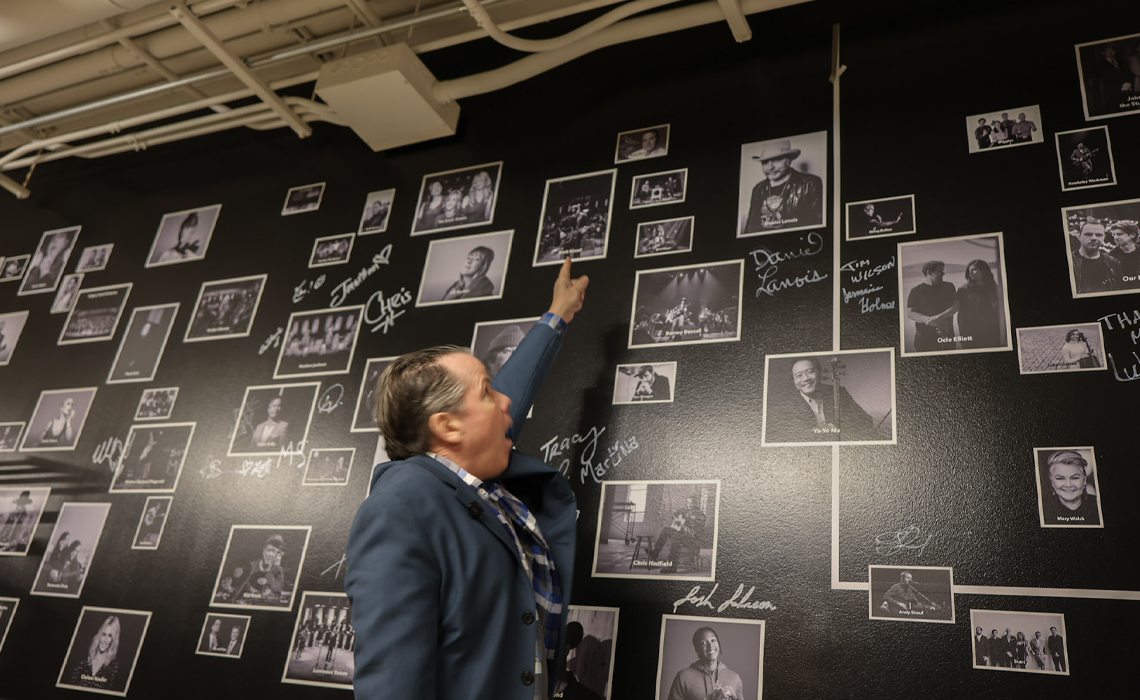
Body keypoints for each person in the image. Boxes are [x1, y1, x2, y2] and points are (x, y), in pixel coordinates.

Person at [346, 257, 588, 700]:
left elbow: (514, 393)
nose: (506, 404)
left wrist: (557, 315)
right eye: (487, 391)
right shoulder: (399, 508)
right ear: (448, 427)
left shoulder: (462, 474)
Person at [767, 356, 874, 442]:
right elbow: (788, 435)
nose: (806, 379)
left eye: (810, 371)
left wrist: (838, 427)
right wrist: (822, 431)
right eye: (799, 375)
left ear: (820, 372)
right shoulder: (787, 405)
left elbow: (866, 421)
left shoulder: (838, 392)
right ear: (794, 381)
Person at [743, 141, 823, 233]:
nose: (770, 167)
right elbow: (750, 228)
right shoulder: (758, 189)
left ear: (788, 160)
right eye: (765, 162)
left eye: (777, 160)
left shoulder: (810, 184)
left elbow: (818, 225)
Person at [666, 627, 743, 700]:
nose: (710, 645)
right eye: (703, 643)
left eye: (713, 640)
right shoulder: (683, 677)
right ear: (697, 649)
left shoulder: (734, 678)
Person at [905, 260, 958, 351]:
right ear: (929, 272)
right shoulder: (916, 291)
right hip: (924, 337)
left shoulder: (949, 287)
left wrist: (940, 317)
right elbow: (910, 313)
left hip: (946, 335)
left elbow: (956, 306)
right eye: (940, 271)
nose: (943, 273)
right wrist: (930, 320)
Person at [646, 495, 706, 573]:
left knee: (676, 539)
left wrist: (685, 527)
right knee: (666, 530)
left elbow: (697, 531)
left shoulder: (700, 515)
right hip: (684, 535)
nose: (690, 505)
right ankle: (655, 553)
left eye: (692, 503)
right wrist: (675, 518)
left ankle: (672, 567)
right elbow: (675, 514)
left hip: (693, 539)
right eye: (688, 503)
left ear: (696, 504)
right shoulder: (685, 511)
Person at [1040, 450, 1100, 525]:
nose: (1068, 485)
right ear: (1052, 481)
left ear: (1084, 480)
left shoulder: (1098, 505)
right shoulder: (1042, 509)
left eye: (1075, 478)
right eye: (1060, 478)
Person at [230, 534, 288, 604]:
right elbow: (238, 591)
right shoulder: (251, 566)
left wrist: (268, 593)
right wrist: (230, 589)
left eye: (274, 551)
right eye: (269, 550)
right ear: (263, 551)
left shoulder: (278, 571)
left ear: (277, 555)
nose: (270, 555)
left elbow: (277, 595)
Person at [956, 259, 1001, 349]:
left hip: (991, 329)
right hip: (971, 330)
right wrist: (963, 335)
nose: (970, 273)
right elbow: (961, 314)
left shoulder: (994, 288)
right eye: (969, 271)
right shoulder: (963, 290)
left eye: (974, 269)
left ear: (983, 270)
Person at [67, 615, 120, 689]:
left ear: (113, 640)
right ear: (99, 635)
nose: (105, 640)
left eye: (110, 636)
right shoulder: (84, 662)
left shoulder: (114, 668)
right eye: (104, 634)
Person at [1071, 220, 1121, 294]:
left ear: (1104, 237)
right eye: (1088, 234)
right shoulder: (1070, 262)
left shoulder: (1113, 263)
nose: (1094, 238)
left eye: (1099, 235)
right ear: (1079, 236)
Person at [1108, 221, 1140, 287]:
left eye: (1119, 234)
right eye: (1114, 234)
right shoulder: (1110, 257)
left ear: (1132, 235)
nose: (1115, 238)